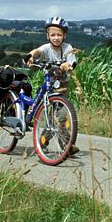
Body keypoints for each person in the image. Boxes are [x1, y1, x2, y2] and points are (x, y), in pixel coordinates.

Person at [26, 16, 79, 155]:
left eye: (59, 34)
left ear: (64, 35)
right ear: (48, 36)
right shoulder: (46, 48)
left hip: (62, 87)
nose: (56, 38)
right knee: (52, 119)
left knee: (60, 118)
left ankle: (65, 145)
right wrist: (30, 56)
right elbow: (37, 51)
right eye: (53, 35)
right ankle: (51, 144)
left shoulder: (68, 48)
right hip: (49, 86)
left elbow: (72, 63)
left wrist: (68, 65)